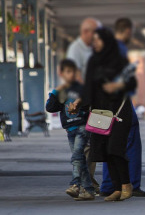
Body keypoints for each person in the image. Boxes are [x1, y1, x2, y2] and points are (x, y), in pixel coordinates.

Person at [71, 27, 137, 202]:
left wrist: (117, 86)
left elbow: (131, 83)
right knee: (105, 151)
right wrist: (78, 102)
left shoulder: (120, 61)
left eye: (98, 40)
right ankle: (116, 188)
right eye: (94, 41)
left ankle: (126, 185)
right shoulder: (94, 61)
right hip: (100, 111)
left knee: (116, 149)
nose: (95, 43)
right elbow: (89, 87)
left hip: (119, 111)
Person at [99, 18, 145, 197]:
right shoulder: (119, 48)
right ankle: (130, 184)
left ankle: (110, 185)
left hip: (107, 100)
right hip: (119, 100)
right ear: (128, 31)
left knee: (111, 142)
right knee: (129, 140)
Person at [45, 59, 94, 201]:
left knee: (77, 156)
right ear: (62, 74)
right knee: (79, 159)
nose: (70, 75)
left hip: (82, 126)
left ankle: (75, 184)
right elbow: (50, 108)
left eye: (73, 72)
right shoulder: (61, 91)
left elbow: (87, 103)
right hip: (70, 128)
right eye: (67, 72)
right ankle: (88, 190)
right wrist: (56, 91)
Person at [66, 17, 101, 193]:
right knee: (84, 145)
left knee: (91, 144)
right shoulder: (76, 49)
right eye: (95, 33)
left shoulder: (93, 50)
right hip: (80, 104)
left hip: (92, 102)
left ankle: (88, 182)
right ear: (86, 32)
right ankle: (81, 184)